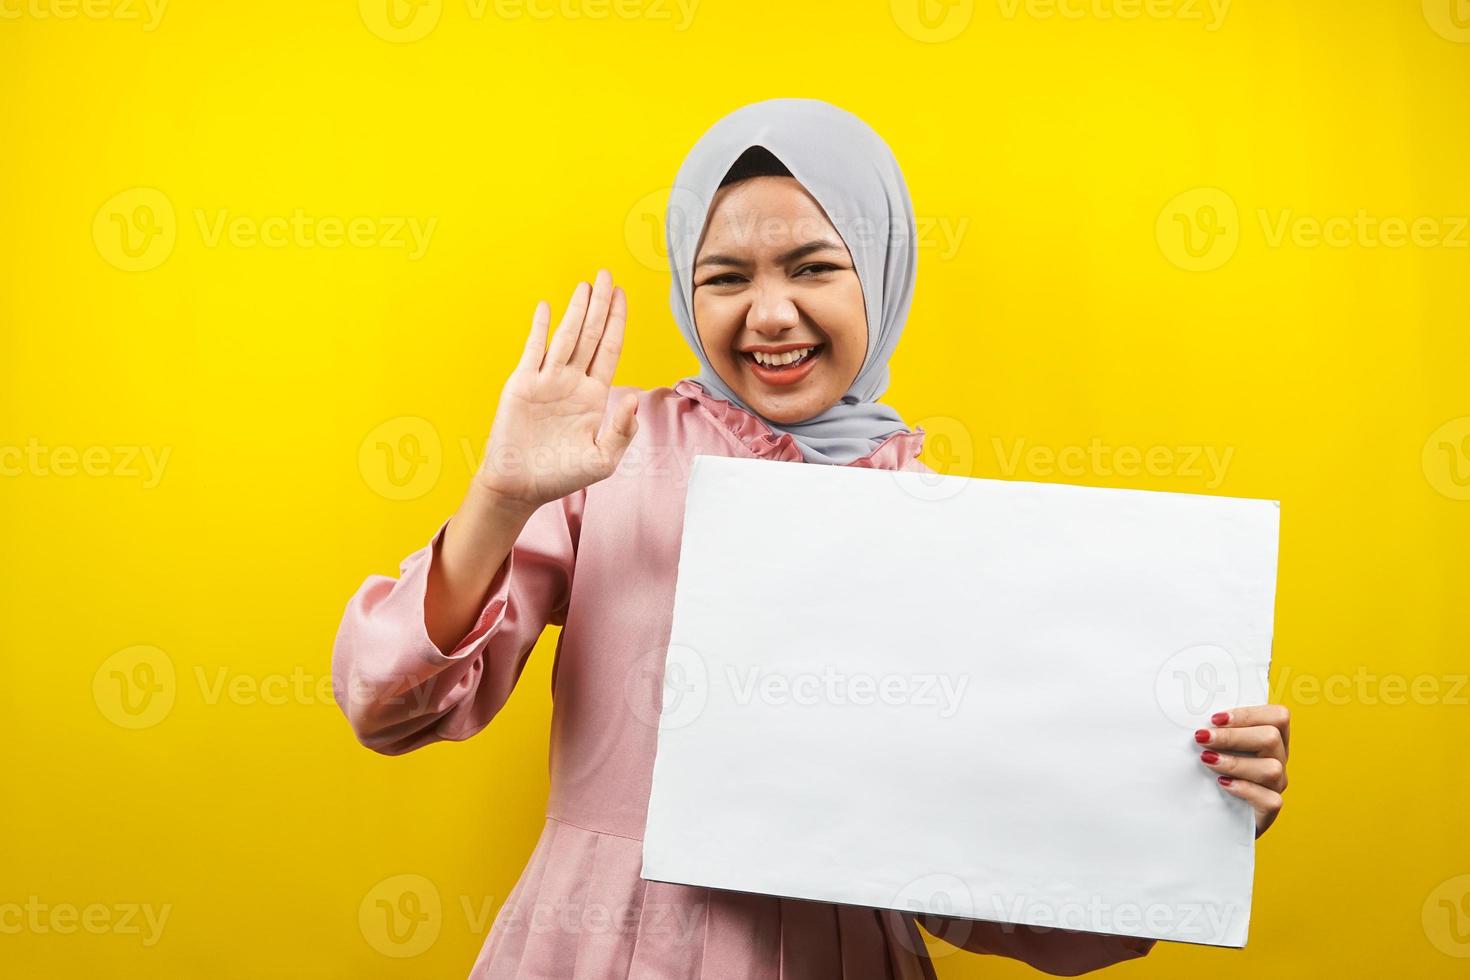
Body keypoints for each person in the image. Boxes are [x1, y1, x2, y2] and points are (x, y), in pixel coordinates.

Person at [331, 98, 1291, 978]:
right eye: (726, 277)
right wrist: (500, 499)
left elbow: (1007, 881)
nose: (771, 313)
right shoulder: (604, 456)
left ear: (882, 273)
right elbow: (390, 706)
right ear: (685, 289)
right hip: (602, 943)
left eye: (814, 267)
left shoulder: (942, 526)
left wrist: (1187, 806)